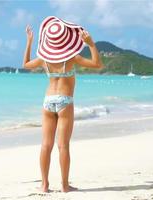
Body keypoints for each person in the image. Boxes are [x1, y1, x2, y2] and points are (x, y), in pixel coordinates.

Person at [22, 16, 104, 193]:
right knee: (63, 145)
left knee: (45, 145)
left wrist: (29, 41)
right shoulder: (72, 58)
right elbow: (97, 64)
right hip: (65, 101)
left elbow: (26, 64)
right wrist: (90, 43)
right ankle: (65, 186)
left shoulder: (44, 59)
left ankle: (44, 185)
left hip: (47, 101)